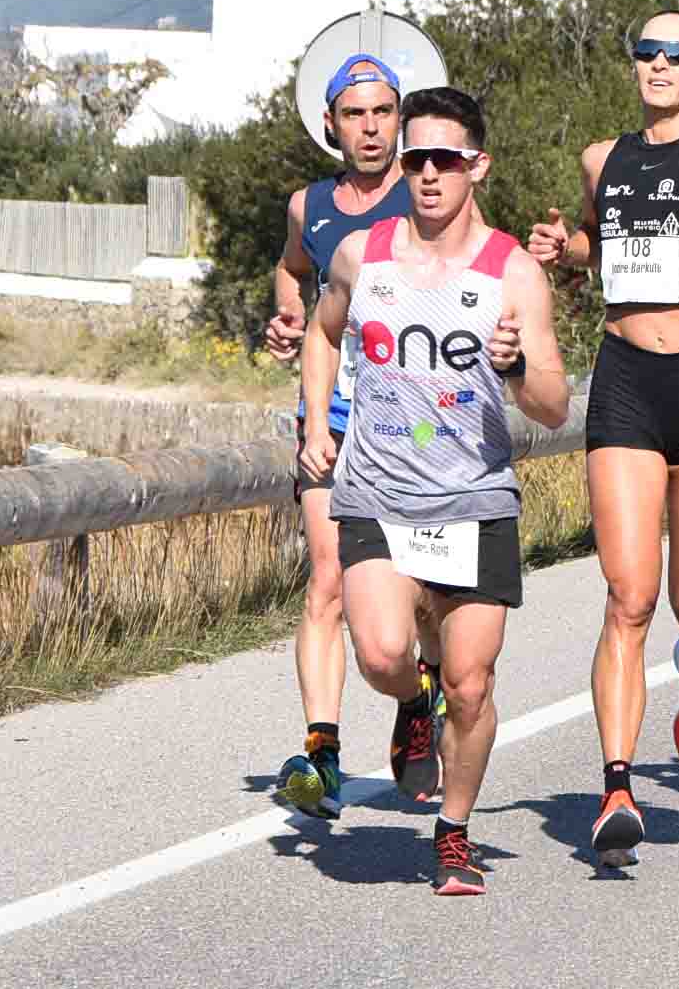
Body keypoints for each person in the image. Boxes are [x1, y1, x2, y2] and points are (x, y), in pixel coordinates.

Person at [299, 85, 570, 895]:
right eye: (414, 158)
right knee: (383, 653)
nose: (426, 174)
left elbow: (553, 407)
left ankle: (453, 832)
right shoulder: (363, 255)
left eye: (443, 160)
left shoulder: (513, 272)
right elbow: (323, 331)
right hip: (378, 492)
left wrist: (515, 368)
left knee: (472, 685)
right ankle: (411, 703)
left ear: (476, 166)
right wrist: (317, 422)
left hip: (474, 502)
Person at [526, 10, 679, 867]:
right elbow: (608, 248)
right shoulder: (603, 158)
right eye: (647, 52)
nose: (660, 64)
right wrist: (566, 249)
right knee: (628, 595)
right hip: (626, 383)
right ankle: (617, 787)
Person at [264, 55, 447, 817]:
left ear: (399, 117)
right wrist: (288, 316)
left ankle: (419, 694)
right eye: (355, 114)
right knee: (328, 581)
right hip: (334, 419)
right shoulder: (309, 205)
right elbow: (292, 271)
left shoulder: (429, 191)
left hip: (419, 421)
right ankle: (322, 756)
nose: (371, 129)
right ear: (330, 124)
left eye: (382, 113)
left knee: (424, 596)